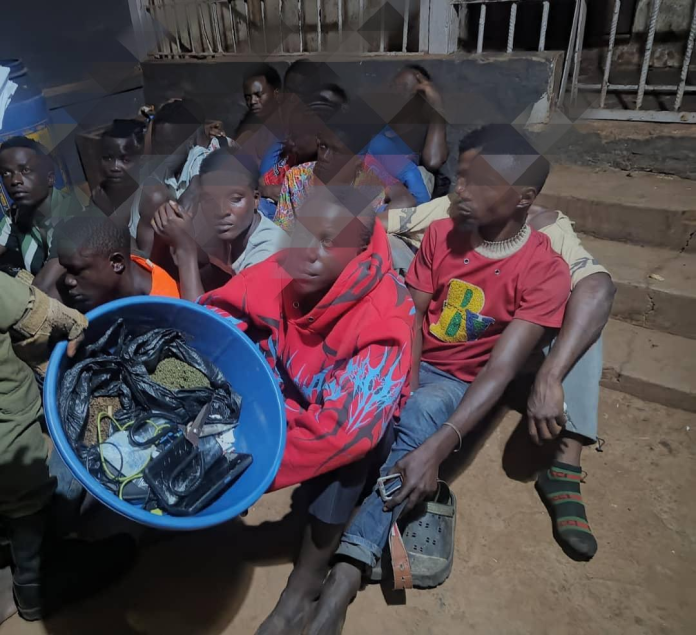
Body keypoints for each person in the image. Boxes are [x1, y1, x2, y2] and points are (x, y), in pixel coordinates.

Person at [303, 125, 573, 634]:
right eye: (461, 177)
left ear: (523, 198)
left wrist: (439, 443)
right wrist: (398, 385)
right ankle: (328, 550)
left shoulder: (545, 270)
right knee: (369, 398)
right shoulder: (442, 236)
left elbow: (499, 369)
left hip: (460, 381)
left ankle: (346, 571)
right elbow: (411, 319)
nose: (461, 190)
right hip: (415, 359)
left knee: (424, 414)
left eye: (479, 181)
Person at [198, 187, 414, 635]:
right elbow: (220, 312)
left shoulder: (384, 318)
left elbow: (343, 432)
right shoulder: (286, 269)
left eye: (328, 241)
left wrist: (247, 469)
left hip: (350, 428)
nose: (307, 252)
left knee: (347, 461)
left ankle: (305, 583)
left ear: (358, 252)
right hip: (291, 399)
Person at [384, 147, 615, 559]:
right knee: (386, 252)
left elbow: (598, 287)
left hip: (508, 345)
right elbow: (381, 225)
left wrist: (550, 376)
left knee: (583, 315)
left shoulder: (548, 230)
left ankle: (565, 460)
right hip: (444, 329)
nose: (464, 188)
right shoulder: (448, 209)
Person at [0, 272, 136, 622]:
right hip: (9, 438)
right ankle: (34, 583)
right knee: (26, 489)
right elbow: (36, 312)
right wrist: (74, 324)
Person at [151, 148, 289, 300]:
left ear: (256, 199)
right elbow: (158, 273)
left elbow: (198, 316)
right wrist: (163, 231)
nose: (221, 211)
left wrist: (186, 250)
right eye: (210, 200)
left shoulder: (269, 254)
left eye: (235, 199)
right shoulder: (216, 223)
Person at [272, 104, 416, 233]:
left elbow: (405, 199)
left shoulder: (369, 180)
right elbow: (281, 232)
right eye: (323, 146)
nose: (325, 157)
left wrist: (371, 226)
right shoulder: (297, 178)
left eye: (336, 152)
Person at [53, 214, 180, 312]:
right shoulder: (103, 280)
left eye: (77, 271)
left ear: (116, 263)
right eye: (66, 269)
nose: (68, 281)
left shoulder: (165, 307)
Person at [0, 137, 82, 275]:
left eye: (25, 170)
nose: (14, 181)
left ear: (50, 178)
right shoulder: (15, 215)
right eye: (6, 173)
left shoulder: (75, 215)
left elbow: (49, 282)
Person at [90, 119, 147, 242]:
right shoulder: (101, 195)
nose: (114, 167)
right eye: (108, 158)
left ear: (141, 161)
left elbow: (144, 254)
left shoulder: (150, 199)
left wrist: (110, 215)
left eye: (125, 160)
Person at [388, 65, 448, 174]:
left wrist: (437, 104)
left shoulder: (426, 132)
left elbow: (433, 161)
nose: (396, 92)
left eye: (405, 88)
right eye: (393, 86)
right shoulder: (378, 129)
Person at [235, 65, 284, 167]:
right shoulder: (245, 134)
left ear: (276, 94)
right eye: (248, 97)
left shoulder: (293, 129)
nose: (252, 101)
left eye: (258, 95)